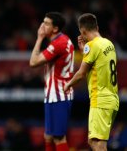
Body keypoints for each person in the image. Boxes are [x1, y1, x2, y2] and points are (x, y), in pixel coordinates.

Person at [64, 13, 119, 151]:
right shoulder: (109, 44)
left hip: (100, 100)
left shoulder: (91, 46)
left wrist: (67, 85)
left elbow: (81, 73)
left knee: (98, 144)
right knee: (93, 141)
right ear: (97, 27)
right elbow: (98, 65)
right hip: (112, 99)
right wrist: (85, 53)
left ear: (82, 31)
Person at [30, 12, 74, 151]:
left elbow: (33, 62)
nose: (42, 26)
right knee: (48, 136)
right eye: (43, 22)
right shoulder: (62, 40)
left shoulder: (58, 44)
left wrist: (39, 38)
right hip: (54, 94)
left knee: (58, 137)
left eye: (47, 23)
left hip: (59, 95)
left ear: (55, 29)